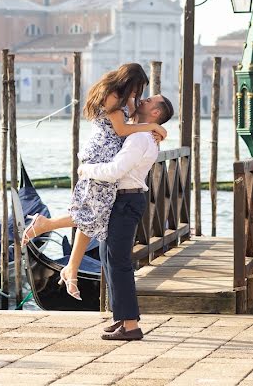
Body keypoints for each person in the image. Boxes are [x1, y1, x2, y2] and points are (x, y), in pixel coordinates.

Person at [21, 63, 166, 299]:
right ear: (130, 82)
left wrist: (152, 132)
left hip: (110, 154)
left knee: (92, 213)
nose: (138, 96)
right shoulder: (111, 96)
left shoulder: (125, 98)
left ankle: (71, 268)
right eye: (138, 89)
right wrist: (152, 126)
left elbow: (130, 126)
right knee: (93, 214)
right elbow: (121, 130)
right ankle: (45, 226)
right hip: (100, 155)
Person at [79, 94, 175, 341]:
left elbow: (115, 171)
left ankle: (131, 325)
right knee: (107, 257)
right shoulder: (142, 132)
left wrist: (85, 169)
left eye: (150, 100)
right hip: (121, 200)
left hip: (126, 199)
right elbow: (127, 103)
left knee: (119, 262)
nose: (143, 100)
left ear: (156, 113)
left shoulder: (140, 138)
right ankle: (121, 317)